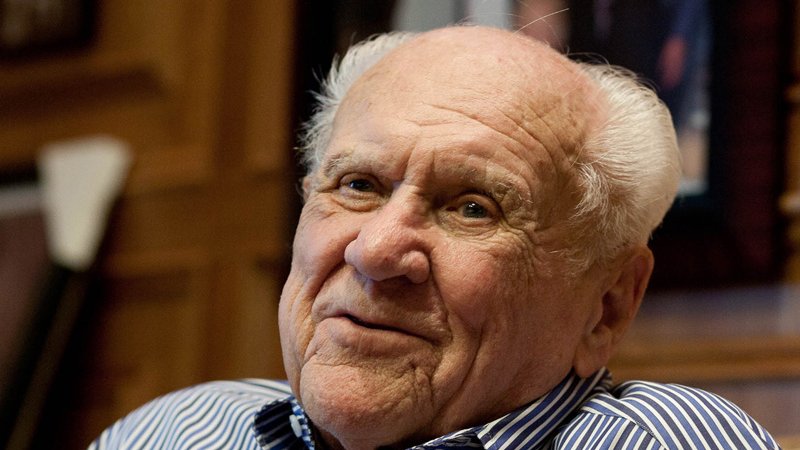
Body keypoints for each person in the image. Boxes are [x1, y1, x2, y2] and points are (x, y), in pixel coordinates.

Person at [88, 26, 780, 450]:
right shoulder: (176, 432)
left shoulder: (652, 442)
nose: (375, 251)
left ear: (607, 306)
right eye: (358, 185)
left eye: (473, 209)